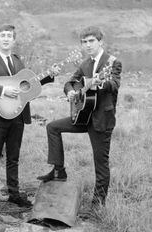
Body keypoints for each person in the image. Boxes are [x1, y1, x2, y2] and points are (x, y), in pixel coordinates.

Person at [0, 24, 60, 216]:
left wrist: (48, 76)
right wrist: (3, 91)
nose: (6, 39)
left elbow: (28, 85)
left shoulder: (18, 62)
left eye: (9, 36)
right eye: (2, 35)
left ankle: (14, 194)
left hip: (18, 116)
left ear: (14, 41)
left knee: (13, 158)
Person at [37, 26, 122, 209]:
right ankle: (58, 170)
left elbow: (114, 84)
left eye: (91, 41)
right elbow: (70, 83)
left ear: (100, 42)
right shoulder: (85, 64)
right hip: (83, 116)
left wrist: (99, 83)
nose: (88, 45)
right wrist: (71, 92)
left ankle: (97, 205)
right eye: (84, 42)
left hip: (101, 120)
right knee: (53, 127)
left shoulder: (112, 62)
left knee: (100, 163)